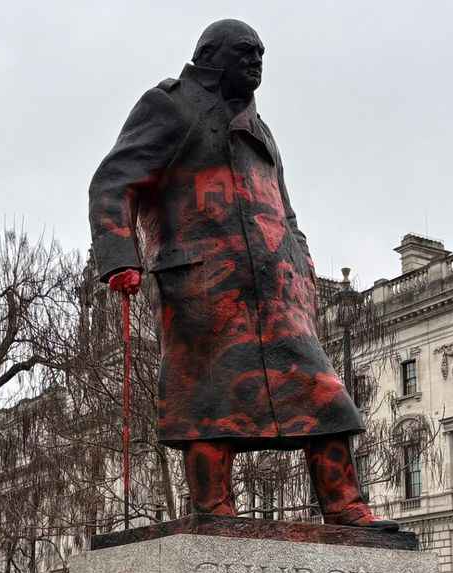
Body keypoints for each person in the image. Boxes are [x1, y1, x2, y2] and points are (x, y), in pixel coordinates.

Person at [88, 19, 394, 529]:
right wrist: (121, 255)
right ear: (211, 55)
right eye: (245, 52)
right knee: (205, 401)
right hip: (203, 285)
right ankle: (214, 509)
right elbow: (114, 180)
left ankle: (343, 504)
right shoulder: (169, 106)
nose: (256, 62)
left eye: (261, 54)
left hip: (277, 290)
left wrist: (303, 267)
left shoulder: (263, 128)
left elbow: (284, 209)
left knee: (324, 395)